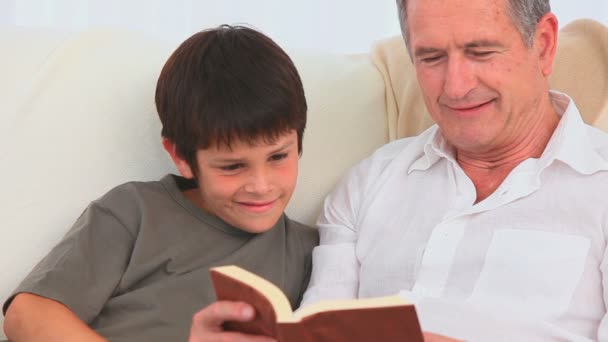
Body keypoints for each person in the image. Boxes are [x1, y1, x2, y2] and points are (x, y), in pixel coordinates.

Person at [189, 0, 608, 341]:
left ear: (545, 45)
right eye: (431, 58)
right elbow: (315, 327)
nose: (456, 86)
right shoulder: (368, 184)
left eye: (480, 52)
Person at [2, 25, 317, 342]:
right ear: (181, 156)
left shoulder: (313, 252)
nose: (261, 185)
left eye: (278, 157)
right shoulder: (134, 212)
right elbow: (28, 315)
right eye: (233, 166)